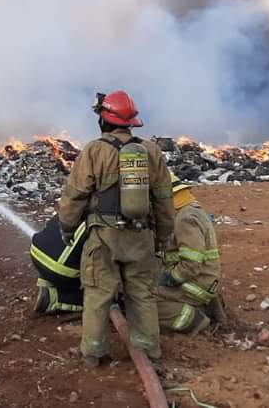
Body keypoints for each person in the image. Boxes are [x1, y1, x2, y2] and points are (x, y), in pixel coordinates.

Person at [57, 90, 175, 367]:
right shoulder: (151, 151)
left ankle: (93, 353)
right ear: (132, 122)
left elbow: (75, 195)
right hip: (141, 236)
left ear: (104, 121)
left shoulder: (94, 151)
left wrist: (67, 227)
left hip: (104, 238)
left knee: (98, 293)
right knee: (142, 294)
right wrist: (163, 237)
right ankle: (148, 352)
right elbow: (164, 199)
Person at [156, 174, 226, 335]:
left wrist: (170, 278)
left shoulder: (184, 219)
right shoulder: (193, 211)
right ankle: (207, 308)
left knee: (143, 301)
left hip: (195, 283)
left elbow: (191, 264)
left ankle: (194, 321)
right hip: (205, 280)